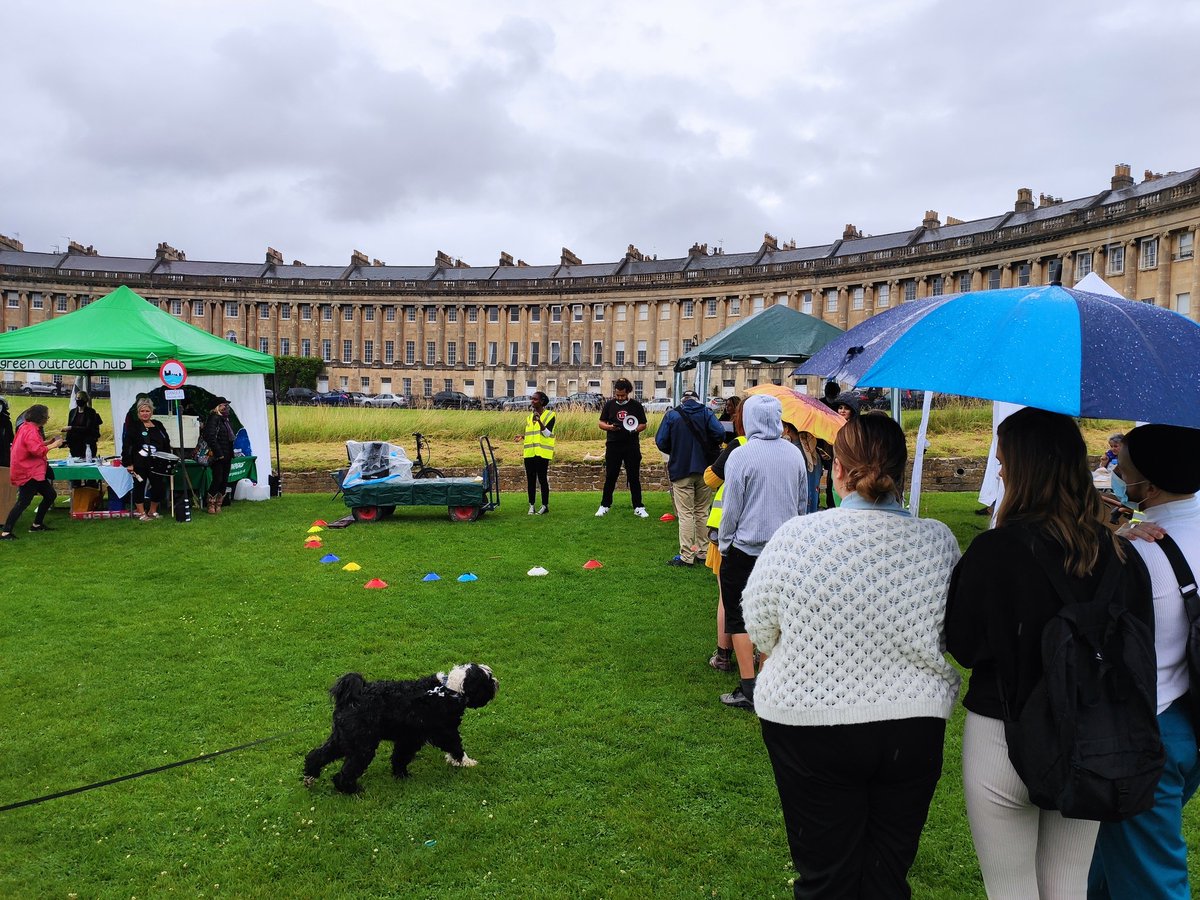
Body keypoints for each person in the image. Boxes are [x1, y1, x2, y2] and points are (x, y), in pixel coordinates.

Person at [743, 413, 962, 899]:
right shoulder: (937, 541)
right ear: (900, 472)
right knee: (887, 873)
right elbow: (952, 633)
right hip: (912, 721)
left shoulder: (797, 537)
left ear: (836, 469)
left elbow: (758, 624)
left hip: (809, 721)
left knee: (825, 874)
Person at [945, 407, 1154, 899]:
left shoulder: (996, 552)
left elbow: (964, 645)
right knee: (1067, 884)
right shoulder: (1121, 554)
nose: (999, 470)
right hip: (1090, 732)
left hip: (1004, 729)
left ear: (1024, 468)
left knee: (1011, 889)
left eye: (1004, 461)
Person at [1088, 424, 1200, 900]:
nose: (1117, 477)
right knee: (1108, 861)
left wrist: (1107, 535)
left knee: (1152, 879)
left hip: (1142, 731)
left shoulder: (1139, 553)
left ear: (1148, 487)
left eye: (1123, 470)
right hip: (1188, 719)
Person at [717, 393, 808, 711]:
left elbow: (731, 508)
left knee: (739, 616)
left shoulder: (741, 455)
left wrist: (725, 542)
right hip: (781, 548)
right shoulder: (794, 453)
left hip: (745, 547)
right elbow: (801, 502)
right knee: (772, 614)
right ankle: (766, 680)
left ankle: (748, 685)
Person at [655, 389, 725, 566]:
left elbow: (661, 441)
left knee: (686, 513)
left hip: (681, 468)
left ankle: (687, 556)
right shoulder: (706, 413)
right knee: (702, 511)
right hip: (704, 468)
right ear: (697, 399)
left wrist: (675, 450)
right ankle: (703, 552)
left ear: (683, 400)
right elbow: (720, 433)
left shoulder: (672, 415)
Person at [704, 404, 746, 671]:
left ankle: (723, 654)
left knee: (727, 595)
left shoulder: (738, 445)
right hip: (764, 532)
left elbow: (710, 478)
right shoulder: (786, 448)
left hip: (727, 530)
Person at [1, 404, 65, 539]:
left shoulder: (27, 427)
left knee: (50, 495)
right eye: (46, 416)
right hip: (28, 472)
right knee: (23, 502)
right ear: (40, 417)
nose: (48, 418)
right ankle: (6, 532)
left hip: (34, 472)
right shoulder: (30, 430)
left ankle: (37, 525)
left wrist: (49, 441)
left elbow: (35, 444)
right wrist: (55, 445)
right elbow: (36, 450)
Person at [596, 378, 648, 518]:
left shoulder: (636, 406)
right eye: (617, 395)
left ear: (628, 392)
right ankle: (604, 505)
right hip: (613, 445)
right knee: (611, 476)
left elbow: (643, 424)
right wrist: (610, 427)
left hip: (631, 446)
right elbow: (601, 423)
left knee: (634, 477)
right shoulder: (609, 405)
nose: (619, 398)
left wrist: (635, 430)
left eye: (622, 395)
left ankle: (638, 506)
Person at [122, 398, 172, 521]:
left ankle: (152, 510)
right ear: (139, 413)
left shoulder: (158, 425)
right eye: (142, 411)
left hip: (157, 462)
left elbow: (166, 442)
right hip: (140, 463)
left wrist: (167, 458)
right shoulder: (134, 427)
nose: (145, 413)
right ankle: (141, 513)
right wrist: (128, 463)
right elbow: (127, 446)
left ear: (151, 412)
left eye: (147, 411)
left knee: (158, 487)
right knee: (139, 486)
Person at [517, 391, 555, 515]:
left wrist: (539, 421)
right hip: (529, 453)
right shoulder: (529, 417)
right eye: (532, 399)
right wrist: (522, 436)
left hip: (542, 453)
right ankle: (531, 505)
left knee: (542, 479)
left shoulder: (550, 415)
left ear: (542, 401)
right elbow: (532, 434)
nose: (532, 401)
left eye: (535, 399)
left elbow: (547, 434)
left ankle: (545, 506)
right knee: (531, 480)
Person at [202, 396, 236, 515]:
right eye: (223, 405)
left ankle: (219, 503)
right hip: (218, 455)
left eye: (226, 405)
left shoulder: (225, 420)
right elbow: (210, 437)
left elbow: (229, 438)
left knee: (224, 480)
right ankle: (211, 502)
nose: (226, 407)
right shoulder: (214, 418)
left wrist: (230, 454)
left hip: (227, 454)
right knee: (218, 478)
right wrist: (219, 453)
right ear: (217, 407)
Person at [64, 390, 103, 460]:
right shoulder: (72, 412)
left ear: (86, 400)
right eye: (78, 398)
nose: (79, 400)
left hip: (87, 443)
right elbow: (69, 427)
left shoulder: (91, 412)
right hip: (75, 444)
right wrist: (67, 441)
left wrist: (71, 428)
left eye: (81, 398)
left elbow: (88, 428)